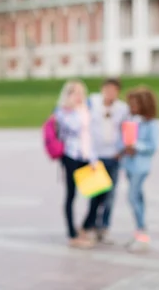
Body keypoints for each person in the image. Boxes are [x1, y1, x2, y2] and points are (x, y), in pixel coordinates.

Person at [80, 78, 129, 244]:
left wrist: (121, 150)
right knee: (95, 193)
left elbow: (126, 130)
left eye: (114, 90)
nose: (110, 93)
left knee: (110, 194)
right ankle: (90, 225)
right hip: (95, 156)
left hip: (113, 156)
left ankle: (104, 227)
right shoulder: (92, 102)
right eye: (107, 89)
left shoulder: (122, 108)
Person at [54, 79, 98, 249]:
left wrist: (93, 159)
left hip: (86, 156)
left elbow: (89, 135)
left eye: (81, 93)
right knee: (71, 194)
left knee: (98, 191)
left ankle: (86, 225)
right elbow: (71, 129)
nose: (79, 96)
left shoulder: (86, 110)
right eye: (75, 93)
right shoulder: (63, 111)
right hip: (70, 155)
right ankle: (72, 234)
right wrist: (72, 109)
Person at [122, 86, 159, 253]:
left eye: (135, 103)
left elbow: (153, 146)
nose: (132, 106)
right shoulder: (131, 119)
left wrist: (136, 146)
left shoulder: (150, 123)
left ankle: (142, 229)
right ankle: (139, 231)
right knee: (138, 196)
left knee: (132, 196)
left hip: (141, 165)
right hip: (129, 163)